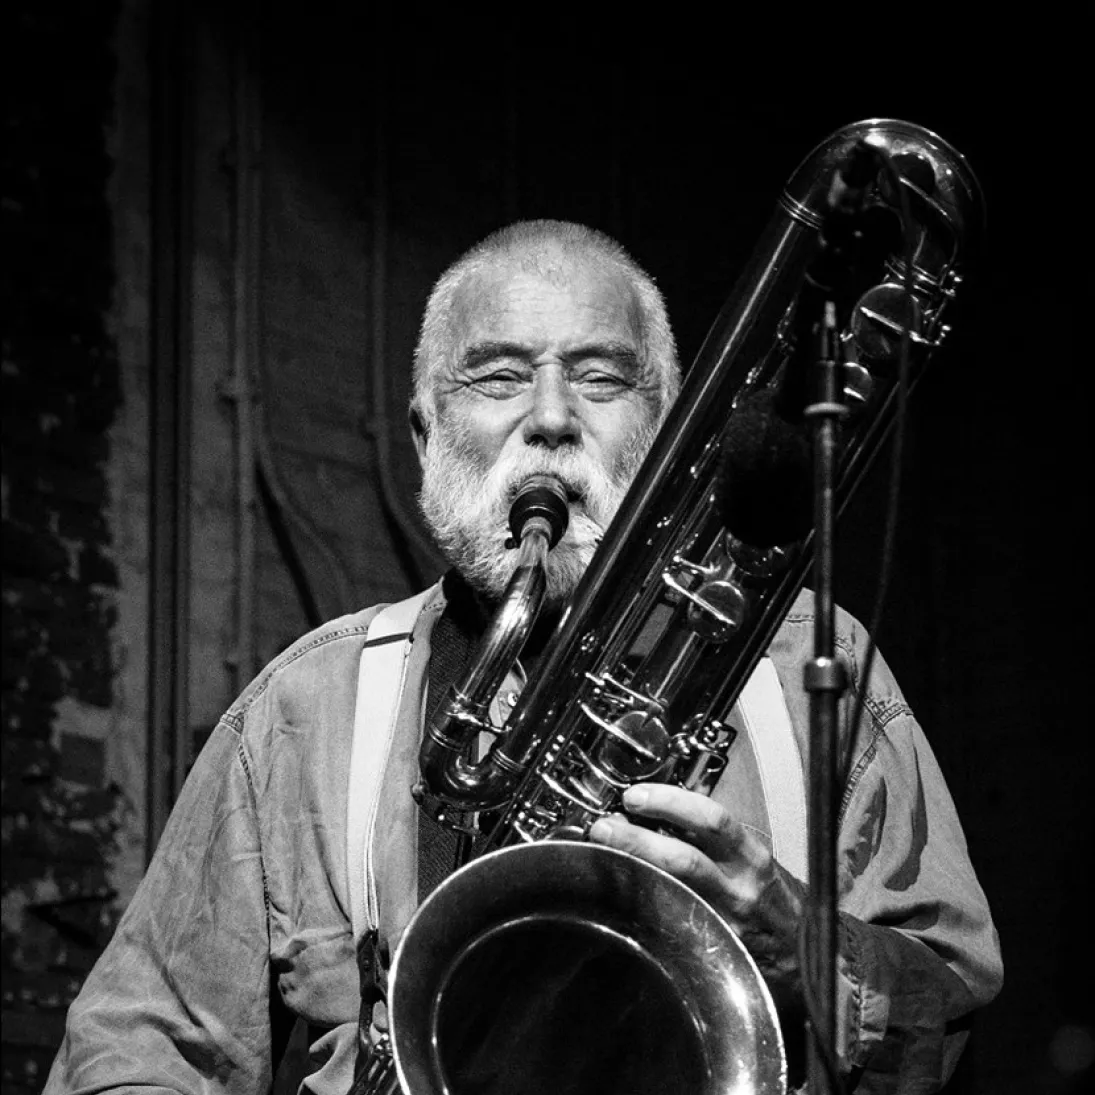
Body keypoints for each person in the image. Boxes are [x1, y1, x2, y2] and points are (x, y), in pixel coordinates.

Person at [45, 219, 1002, 1094]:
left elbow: (951, 1004)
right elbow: (137, 1053)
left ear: (668, 432)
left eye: (599, 378)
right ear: (425, 434)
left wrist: (802, 945)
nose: (550, 417)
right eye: (499, 377)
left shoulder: (811, 661)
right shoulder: (303, 704)